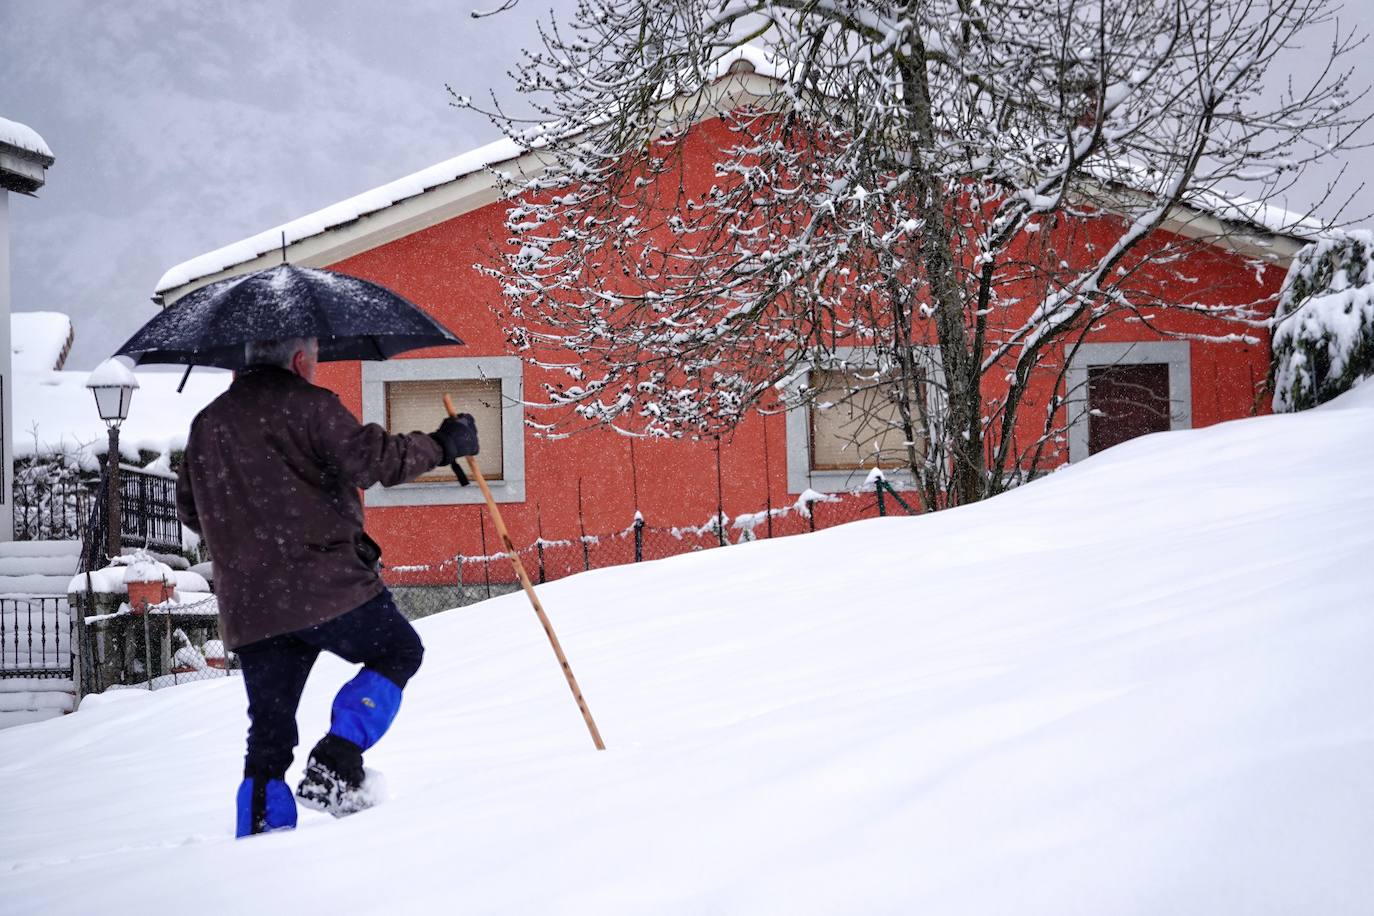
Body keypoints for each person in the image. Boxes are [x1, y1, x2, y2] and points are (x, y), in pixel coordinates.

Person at [175, 337, 478, 838]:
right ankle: (335, 763)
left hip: (252, 605)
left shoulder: (208, 424)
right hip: (327, 588)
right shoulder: (312, 406)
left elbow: (191, 511)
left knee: (267, 739)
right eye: (313, 354)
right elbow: (375, 463)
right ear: (299, 360)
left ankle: (258, 842)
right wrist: (445, 444)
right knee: (398, 651)